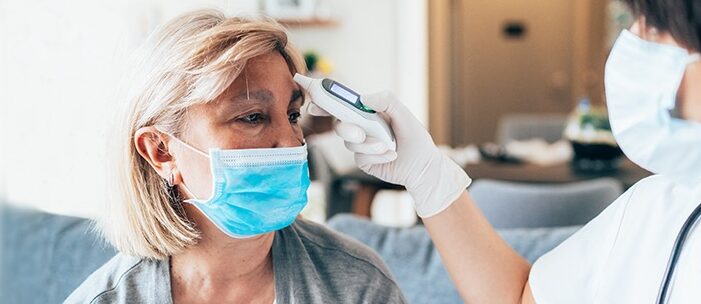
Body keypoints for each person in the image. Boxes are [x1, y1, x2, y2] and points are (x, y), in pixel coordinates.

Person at [313, 0, 701, 302]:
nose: (632, 42)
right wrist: (428, 174)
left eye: (657, 26)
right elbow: (518, 297)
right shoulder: (659, 208)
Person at [65, 10, 405, 304]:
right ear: (161, 151)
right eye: (253, 117)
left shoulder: (359, 286)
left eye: (292, 115)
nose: (291, 143)